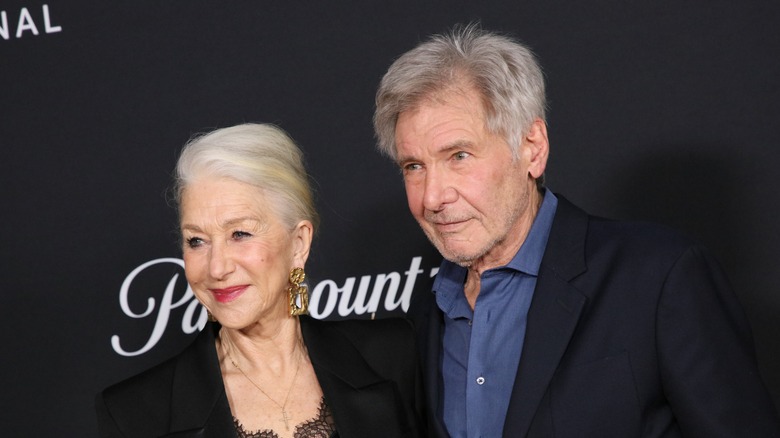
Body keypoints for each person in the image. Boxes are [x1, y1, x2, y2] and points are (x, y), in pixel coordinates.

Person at [373, 24, 780, 437]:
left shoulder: (658, 277)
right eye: (414, 167)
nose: (433, 197)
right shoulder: (424, 316)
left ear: (532, 148)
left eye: (459, 156)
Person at [96, 123, 425, 437]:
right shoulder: (133, 413)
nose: (216, 268)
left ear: (298, 244)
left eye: (239, 234)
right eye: (196, 240)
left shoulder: (391, 356)